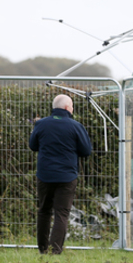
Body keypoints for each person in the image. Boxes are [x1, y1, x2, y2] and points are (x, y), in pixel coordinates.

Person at [29, 94, 92, 254]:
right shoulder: (76, 126)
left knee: (44, 210)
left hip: (44, 175)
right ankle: (55, 250)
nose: (72, 109)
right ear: (66, 108)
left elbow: (33, 146)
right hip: (67, 176)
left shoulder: (41, 124)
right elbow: (86, 151)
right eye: (71, 107)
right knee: (61, 213)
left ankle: (42, 248)